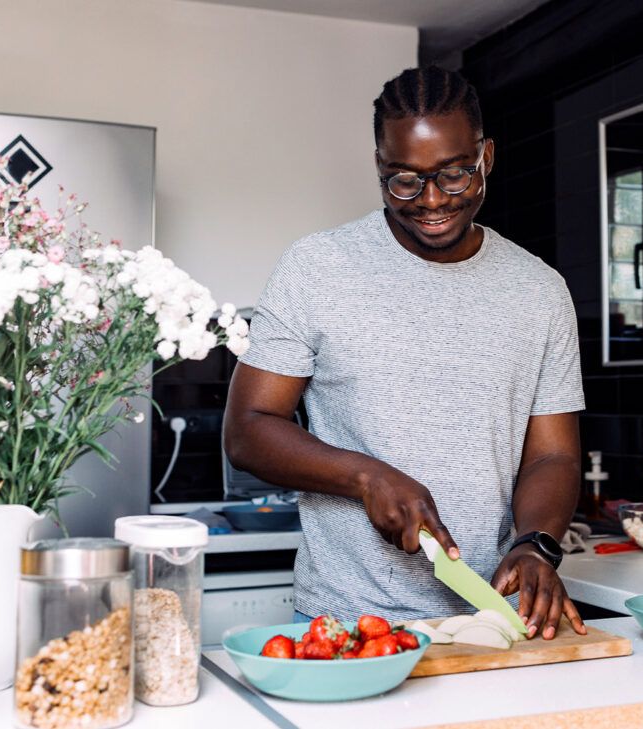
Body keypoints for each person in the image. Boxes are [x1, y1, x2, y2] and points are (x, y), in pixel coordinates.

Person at [223, 66, 586, 640]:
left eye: (454, 175)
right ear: (379, 166)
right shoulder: (317, 268)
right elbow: (247, 430)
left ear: (486, 157)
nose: (433, 200)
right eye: (404, 181)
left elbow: (553, 457)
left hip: (490, 620)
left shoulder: (539, 290)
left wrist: (535, 543)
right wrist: (367, 477)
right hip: (345, 620)